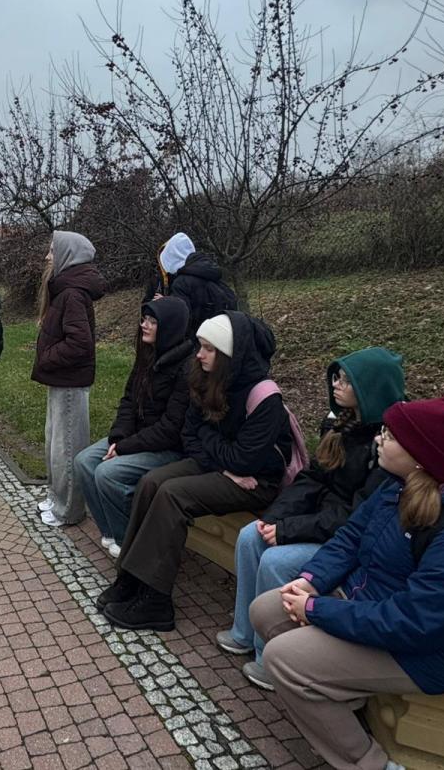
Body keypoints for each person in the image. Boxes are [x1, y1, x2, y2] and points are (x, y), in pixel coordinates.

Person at [250, 397, 444, 770]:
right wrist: (311, 581)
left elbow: (416, 621)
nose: (379, 439)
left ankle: (368, 762)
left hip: (438, 649)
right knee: (267, 611)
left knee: (284, 660)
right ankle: (339, 695)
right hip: (375, 603)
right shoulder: (402, 483)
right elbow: (352, 536)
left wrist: (317, 609)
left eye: (391, 435)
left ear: (422, 456)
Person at [219, 347, 406, 691]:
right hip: (317, 522)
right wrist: (276, 517)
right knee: (250, 535)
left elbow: (356, 518)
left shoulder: (386, 449)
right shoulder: (338, 424)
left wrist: (289, 530)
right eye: (336, 377)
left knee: (276, 561)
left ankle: (267, 657)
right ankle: (243, 631)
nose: (336, 384)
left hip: (343, 539)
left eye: (346, 380)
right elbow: (311, 479)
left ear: (370, 389)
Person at [97, 311, 292, 631]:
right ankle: (130, 578)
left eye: (209, 348)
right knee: (150, 483)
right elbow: (189, 435)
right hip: (221, 467)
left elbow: (243, 460)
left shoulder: (264, 396)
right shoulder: (205, 376)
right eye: (200, 345)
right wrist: (220, 458)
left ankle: (156, 600)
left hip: (255, 481)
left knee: (173, 494)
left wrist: (213, 444)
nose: (199, 354)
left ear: (229, 354)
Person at [75, 296, 193, 558]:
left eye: (152, 321)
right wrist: (118, 437)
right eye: (144, 319)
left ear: (170, 327)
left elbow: (171, 429)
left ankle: (131, 542)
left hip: (170, 449)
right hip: (138, 437)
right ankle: (112, 532)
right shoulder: (148, 354)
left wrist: (124, 448)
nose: (144, 325)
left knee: (108, 473)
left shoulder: (186, 369)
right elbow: (129, 399)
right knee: (84, 461)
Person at [32, 231, 105, 528]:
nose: (47, 256)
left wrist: (46, 357)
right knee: (55, 442)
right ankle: (57, 497)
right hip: (61, 380)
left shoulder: (72, 293)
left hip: (70, 382)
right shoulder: (65, 289)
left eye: (52, 250)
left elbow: (80, 343)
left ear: (67, 255)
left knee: (68, 447)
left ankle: (69, 510)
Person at [143, 232, 237, 334]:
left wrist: (165, 304)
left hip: (199, 338)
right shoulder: (208, 273)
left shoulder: (182, 283)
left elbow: (181, 320)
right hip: (220, 334)